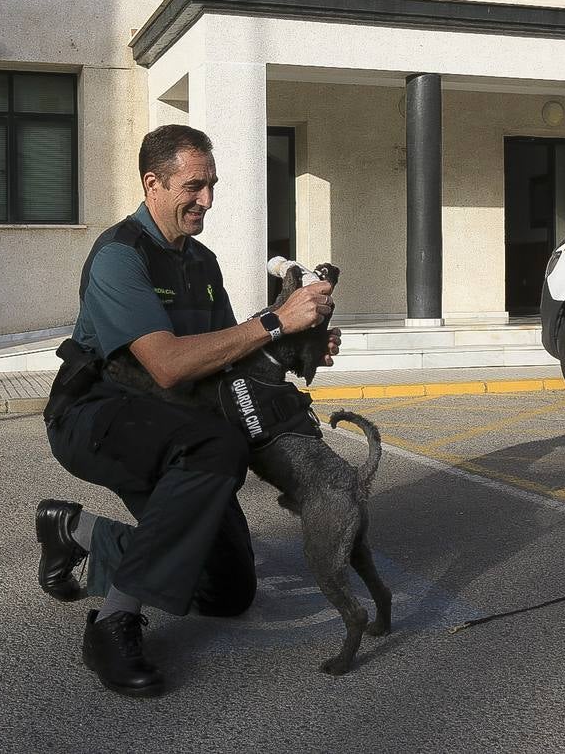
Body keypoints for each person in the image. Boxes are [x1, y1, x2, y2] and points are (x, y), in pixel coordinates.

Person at [37, 124, 340, 697]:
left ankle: (73, 529)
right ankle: (112, 623)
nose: (207, 199)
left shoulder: (201, 262)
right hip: (97, 415)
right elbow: (171, 365)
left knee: (228, 591)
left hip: (171, 423)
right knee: (216, 445)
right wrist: (276, 320)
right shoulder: (119, 256)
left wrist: (298, 342)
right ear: (153, 183)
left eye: (212, 185)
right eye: (193, 186)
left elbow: (229, 354)